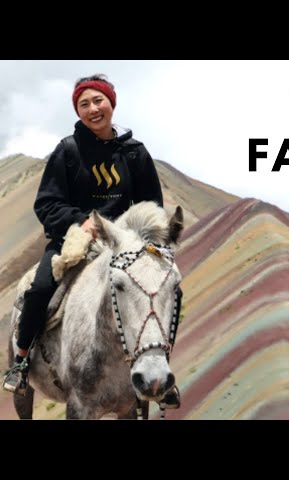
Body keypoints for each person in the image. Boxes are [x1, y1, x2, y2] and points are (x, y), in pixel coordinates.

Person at [3, 74, 182, 409]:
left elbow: (152, 207)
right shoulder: (68, 152)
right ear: (78, 112)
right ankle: (22, 361)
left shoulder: (134, 153)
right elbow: (47, 203)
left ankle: (160, 370)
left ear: (111, 103)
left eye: (98, 100)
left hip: (124, 244)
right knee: (40, 290)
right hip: (74, 241)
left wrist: (142, 237)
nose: (92, 109)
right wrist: (81, 222)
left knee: (163, 290)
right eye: (83, 104)